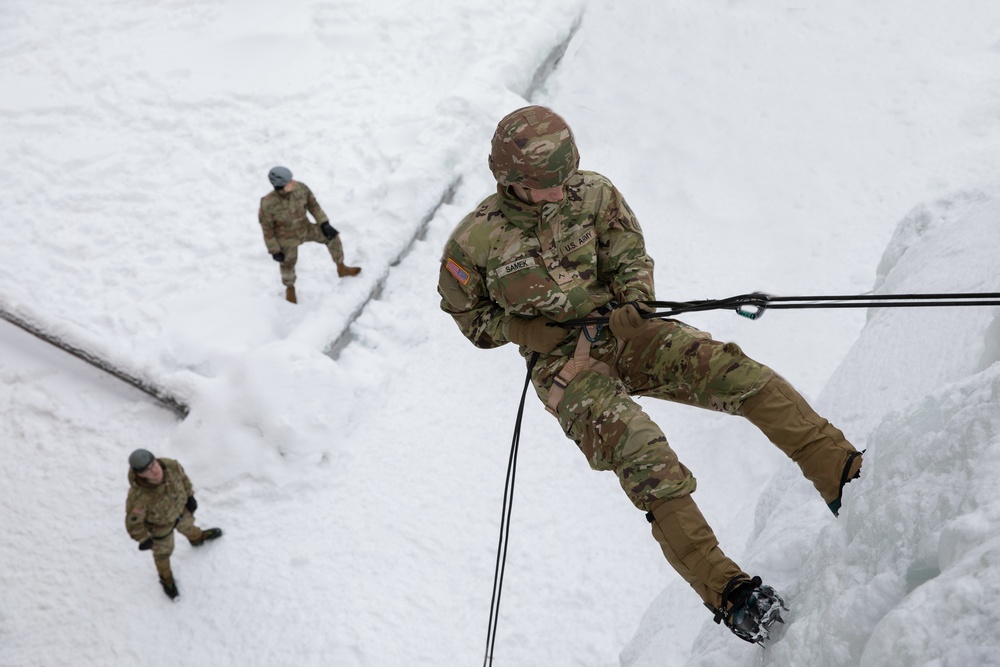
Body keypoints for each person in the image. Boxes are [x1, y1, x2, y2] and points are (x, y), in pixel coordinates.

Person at [437, 105, 864, 643]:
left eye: (565, 177)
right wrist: (521, 332)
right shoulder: (473, 243)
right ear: (509, 180)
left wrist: (636, 302)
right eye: (546, 185)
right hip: (563, 366)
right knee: (644, 456)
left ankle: (843, 476)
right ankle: (729, 593)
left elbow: (629, 255)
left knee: (734, 372)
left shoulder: (592, 193)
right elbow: (467, 317)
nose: (559, 191)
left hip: (623, 330)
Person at [124, 449, 223, 599]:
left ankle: (198, 539)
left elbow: (183, 479)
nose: (155, 470)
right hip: (160, 527)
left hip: (181, 511)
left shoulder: (170, 466)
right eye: (148, 470)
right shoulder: (138, 497)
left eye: (154, 464)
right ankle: (166, 579)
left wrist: (190, 496)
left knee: (190, 528)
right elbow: (133, 523)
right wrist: (144, 539)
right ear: (140, 474)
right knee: (163, 554)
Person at [258, 166, 362, 304]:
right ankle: (290, 288)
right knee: (288, 264)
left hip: (305, 229)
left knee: (332, 237)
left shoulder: (300, 188)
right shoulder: (268, 203)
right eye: (289, 182)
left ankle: (341, 267)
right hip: (286, 238)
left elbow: (313, 205)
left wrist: (324, 223)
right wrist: (274, 250)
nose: (293, 182)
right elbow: (267, 229)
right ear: (279, 187)